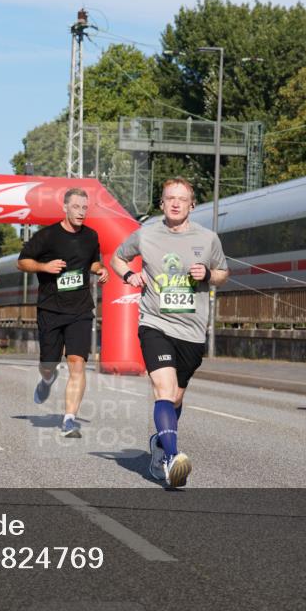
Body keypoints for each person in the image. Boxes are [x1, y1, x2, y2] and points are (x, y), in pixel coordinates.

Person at [111, 178, 228, 488]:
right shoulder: (146, 234)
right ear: (161, 203)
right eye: (169, 198)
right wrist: (129, 275)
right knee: (164, 389)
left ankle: (160, 444)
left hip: (192, 331)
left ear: (192, 204)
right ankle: (173, 457)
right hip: (155, 324)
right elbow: (117, 258)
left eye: (182, 199)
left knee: (175, 397)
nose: (175, 203)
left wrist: (208, 274)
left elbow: (223, 273)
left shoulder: (208, 238)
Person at [18, 188, 108, 438]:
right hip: (51, 308)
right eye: (76, 207)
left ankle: (69, 419)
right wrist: (44, 266)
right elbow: (22, 262)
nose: (81, 212)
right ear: (65, 207)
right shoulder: (47, 236)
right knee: (48, 364)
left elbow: (93, 261)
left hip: (80, 308)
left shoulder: (91, 236)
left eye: (84, 208)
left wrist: (100, 269)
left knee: (77, 362)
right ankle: (47, 379)